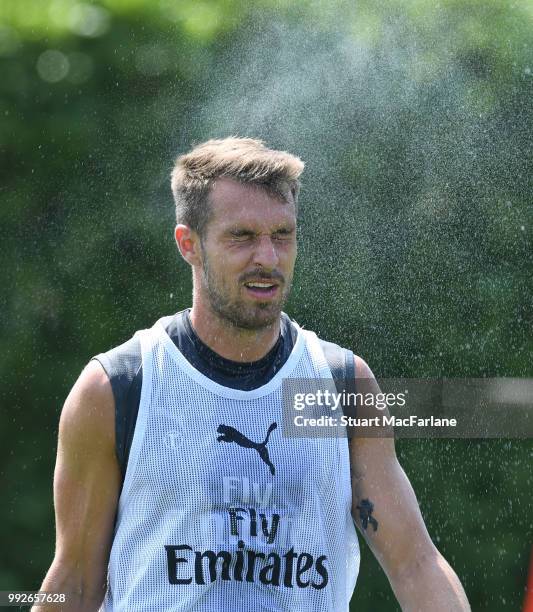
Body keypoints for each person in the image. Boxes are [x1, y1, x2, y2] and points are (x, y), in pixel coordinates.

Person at [35, 138, 470, 611]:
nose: (268, 258)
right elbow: (74, 584)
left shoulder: (343, 385)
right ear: (189, 245)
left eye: (282, 235)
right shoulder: (119, 388)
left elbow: (415, 564)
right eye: (242, 237)